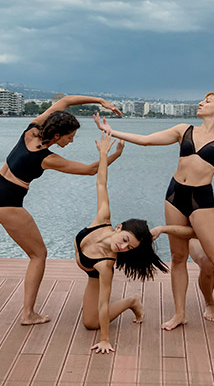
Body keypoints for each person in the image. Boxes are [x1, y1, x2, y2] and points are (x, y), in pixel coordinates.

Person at [94, 92, 214, 334]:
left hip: (201, 199)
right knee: (178, 257)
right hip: (175, 194)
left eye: (207, 101)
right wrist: (109, 130)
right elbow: (146, 140)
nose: (200, 103)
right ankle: (180, 314)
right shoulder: (184, 130)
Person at [0, 95, 123, 325]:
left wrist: (100, 101)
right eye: (70, 137)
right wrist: (113, 153)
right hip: (7, 200)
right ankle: (28, 313)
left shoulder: (32, 129)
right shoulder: (46, 158)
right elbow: (90, 170)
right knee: (38, 255)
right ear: (57, 135)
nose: (71, 141)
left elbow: (66, 100)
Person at [75, 133, 169, 354]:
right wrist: (107, 154)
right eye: (125, 240)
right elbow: (101, 181)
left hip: (92, 273)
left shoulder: (106, 266)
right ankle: (131, 302)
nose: (123, 248)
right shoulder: (102, 219)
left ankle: (131, 301)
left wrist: (105, 339)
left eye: (129, 248)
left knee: (91, 323)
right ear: (119, 227)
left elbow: (103, 304)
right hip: (86, 257)